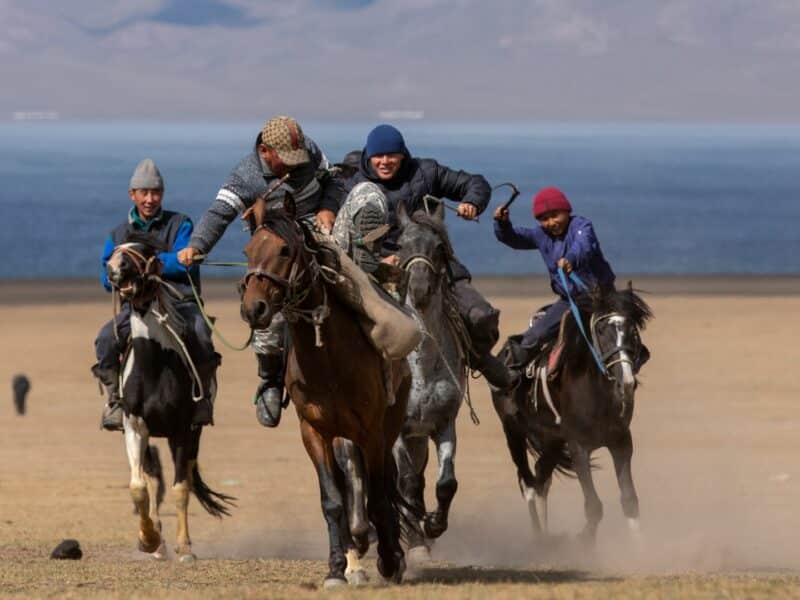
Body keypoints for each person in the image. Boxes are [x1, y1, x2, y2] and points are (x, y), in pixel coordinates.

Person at [177, 116, 343, 428]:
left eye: (299, 158)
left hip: (316, 228)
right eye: (287, 160)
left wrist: (327, 209)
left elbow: (333, 180)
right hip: (275, 244)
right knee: (263, 300)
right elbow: (219, 213)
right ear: (265, 151)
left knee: (349, 277)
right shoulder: (246, 176)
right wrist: (196, 245)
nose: (295, 165)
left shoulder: (307, 150)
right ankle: (269, 379)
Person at [345, 124, 511, 388]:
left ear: (402, 155)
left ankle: (480, 358)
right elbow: (341, 232)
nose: (385, 161)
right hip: (378, 270)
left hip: (433, 263)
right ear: (369, 156)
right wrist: (375, 262)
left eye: (392, 155)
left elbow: (475, 183)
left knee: (481, 316)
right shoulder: (353, 185)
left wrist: (472, 202)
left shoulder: (426, 171)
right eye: (379, 156)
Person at [92, 158, 219, 431]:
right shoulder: (119, 234)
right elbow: (106, 276)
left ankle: (202, 399)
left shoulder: (180, 224)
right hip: (137, 307)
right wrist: (116, 279)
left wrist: (151, 262)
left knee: (201, 335)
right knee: (105, 340)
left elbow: (185, 261)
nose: (150, 199)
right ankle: (115, 400)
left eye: (156, 192)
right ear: (132, 195)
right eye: (144, 192)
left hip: (180, 303)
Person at [493, 186, 616, 371]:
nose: (551, 222)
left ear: (567, 211)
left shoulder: (582, 226)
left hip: (603, 296)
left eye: (555, 215)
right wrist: (503, 224)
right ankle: (509, 375)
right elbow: (514, 238)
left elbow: (584, 246)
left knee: (622, 339)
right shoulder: (540, 235)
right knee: (534, 336)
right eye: (544, 218)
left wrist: (571, 261)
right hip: (570, 301)